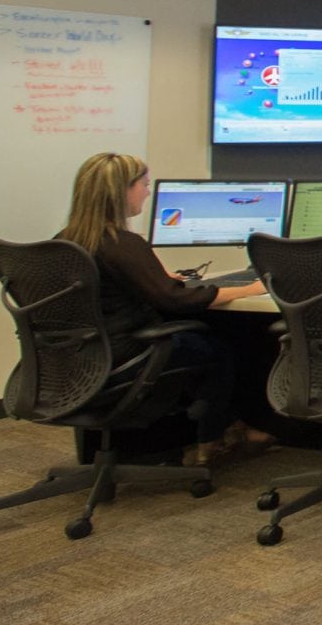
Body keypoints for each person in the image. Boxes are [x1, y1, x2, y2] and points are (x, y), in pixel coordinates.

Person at [54, 152, 272, 466]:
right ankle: (212, 439)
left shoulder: (65, 242)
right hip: (127, 355)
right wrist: (250, 288)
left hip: (79, 359)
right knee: (221, 348)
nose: (146, 192)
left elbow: (110, 287)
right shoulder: (122, 243)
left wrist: (155, 278)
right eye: (143, 184)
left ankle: (222, 429)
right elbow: (174, 300)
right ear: (122, 191)